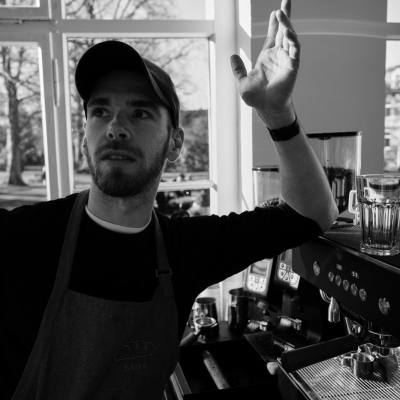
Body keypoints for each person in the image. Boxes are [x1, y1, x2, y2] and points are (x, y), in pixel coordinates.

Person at [0, 0, 337, 399]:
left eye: (140, 113)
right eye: (100, 111)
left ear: (175, 143)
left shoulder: (185, 249)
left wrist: (276, 113)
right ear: (84, 137)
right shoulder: (21, 237)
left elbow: (312, 213)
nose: (115, 128)